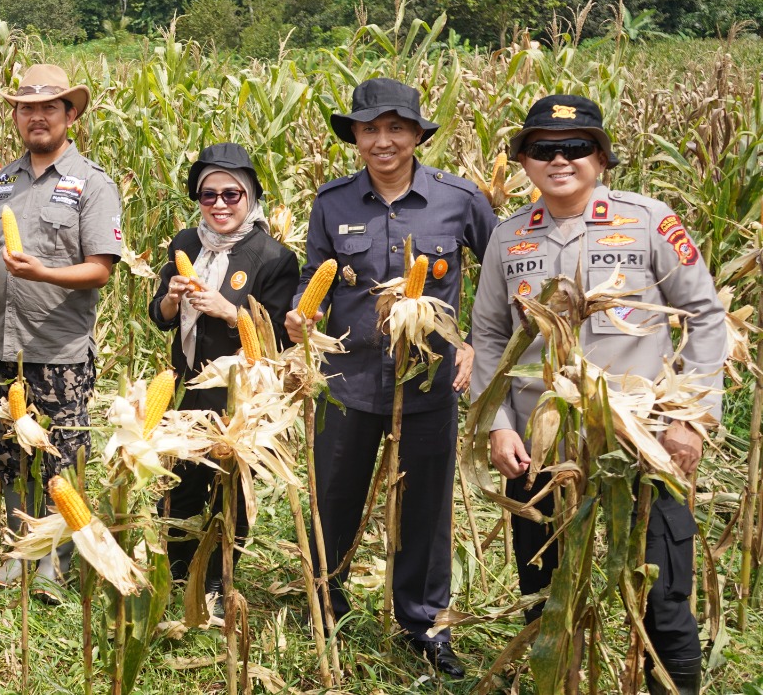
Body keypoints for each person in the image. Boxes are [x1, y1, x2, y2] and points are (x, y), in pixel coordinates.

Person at [467, 95, 725, 695]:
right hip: (540, 446)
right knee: (547, 598)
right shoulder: (508, 239)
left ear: (601, 156)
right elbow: (488, 337)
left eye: (576, 147)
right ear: (524, 161)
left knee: (662, 597)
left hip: (643, 441)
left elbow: (707, 319)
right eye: (542, 149)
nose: (560, 159)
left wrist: (689, 418)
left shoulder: (648, 219)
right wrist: (497, 423)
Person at [284, 77, 496, 678]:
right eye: (370, 129)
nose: (383, 141)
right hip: (347, 380)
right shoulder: (332, 203)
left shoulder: (458, 199)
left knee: (425, 506)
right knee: (335, 495)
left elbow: (503, 276)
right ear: (354, 135)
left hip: (429, 383)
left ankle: (424, 620)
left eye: (396, 128)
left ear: (416, 134)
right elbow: (312, 275)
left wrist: (478, 346)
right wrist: (305, 311)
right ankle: (327, 598)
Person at [0, 63, 124, 602]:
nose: (36, 117)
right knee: (8, 449)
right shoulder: (3, 181)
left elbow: (101, 268)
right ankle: (19, 549)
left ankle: (55, 562)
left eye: (48, 108)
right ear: (15, 116)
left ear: (69, 115)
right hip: (0, 344)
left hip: (58, 347)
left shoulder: (92, 185)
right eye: (26, 108)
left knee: (59, 456)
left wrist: (44, 273)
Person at [149, 143, 299, 585]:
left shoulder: (273, 257)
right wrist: (172, 300)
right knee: (180, 482)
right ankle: (176, 572)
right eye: (208, 195)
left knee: (229, 488)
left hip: (240, 396)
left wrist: (228, 311)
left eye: (230, 195)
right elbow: (158, 318)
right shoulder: (185, 243)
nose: (218, 205)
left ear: (250, 196)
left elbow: (277, 336)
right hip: (186, 387)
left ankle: (217, 577)